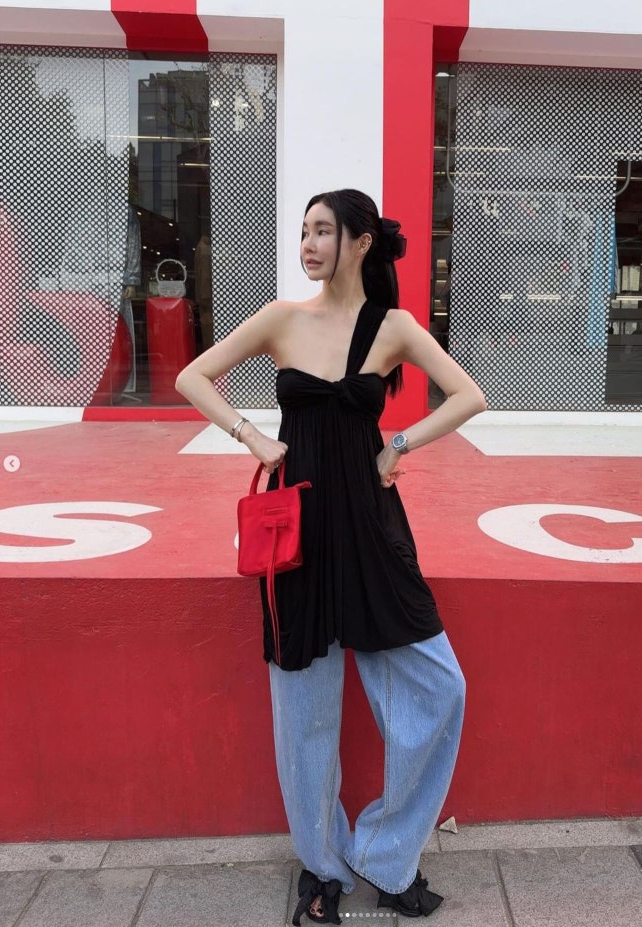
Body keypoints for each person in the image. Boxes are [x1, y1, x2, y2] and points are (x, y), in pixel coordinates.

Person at [176, 189, 486, 924]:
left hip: (372, 532)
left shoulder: (393, 326)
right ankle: (321, 863)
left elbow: (468, 396)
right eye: (305, 231)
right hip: (298, 532)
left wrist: (398, 444)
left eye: (323, 231)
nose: (308, 244)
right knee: (304, 716)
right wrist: (253, 436)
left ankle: (383, 849)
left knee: (441, 688)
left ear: (361, 241)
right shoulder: (281, 318)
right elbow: (193, 376)